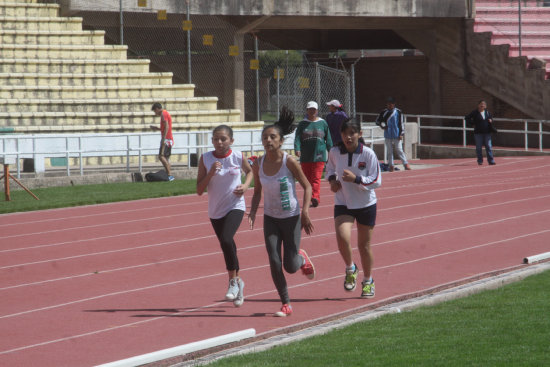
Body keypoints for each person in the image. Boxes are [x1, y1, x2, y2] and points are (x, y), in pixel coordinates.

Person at [248, 122, 316, 317]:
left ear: (281, 141)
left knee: (290, 266)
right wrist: (253, 211)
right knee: (274, 261)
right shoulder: (258, 164)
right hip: (271, 218)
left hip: (292, 217)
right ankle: (286, 303)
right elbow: (257, 192)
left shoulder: (290, 162)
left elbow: (307, 186)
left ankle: (301, 258)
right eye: (265, 137)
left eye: (272, 137)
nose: (268, 140)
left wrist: (305, 212)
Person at [196, 125, 253, 307]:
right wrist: (211, 172)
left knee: (227, 239)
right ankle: (239, 283)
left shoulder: (237, 156)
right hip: (215, 211)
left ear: (231, 141)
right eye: (215, 139)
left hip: (235, 205)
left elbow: (250, 172)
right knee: (227, 244)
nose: (219, 143)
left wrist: (245, 186)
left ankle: (233, 282)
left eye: (223, 139)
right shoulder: (205, 159)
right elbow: (199, 190)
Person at [326, 119, 382, 298]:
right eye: (344, 134)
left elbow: (376, 180)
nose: (348, 137)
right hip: (343, 202)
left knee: (364, 246)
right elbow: (330, 169)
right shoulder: (335, 151)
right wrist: (333, 181)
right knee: (342, 236)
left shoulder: (368, 154)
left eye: (352, 133)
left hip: (365, 204)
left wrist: (357, 179)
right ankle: (351, 268)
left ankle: (368, 280)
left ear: (360, 134)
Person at [294, 101, 333, 207]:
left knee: (316, 178)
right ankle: (311, 196)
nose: (312, 111)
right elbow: (297, 138)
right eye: (310, 109)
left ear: (317, 110)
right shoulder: (302, 124)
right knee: (307, 179)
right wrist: (297, 148)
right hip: (306, 156)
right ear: (307, 110)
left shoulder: (323, 123)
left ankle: (315, 197)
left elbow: (328, 138)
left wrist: (332, 151)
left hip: (319, 154)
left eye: (314, 109)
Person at [375, 97, 411, 172]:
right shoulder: (383, 112)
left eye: (391, 104)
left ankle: (405, 164)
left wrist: (401, 133)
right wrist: (382, 126)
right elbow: (377, 121)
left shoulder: (398, 112)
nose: (389, 105)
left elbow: (401, 123)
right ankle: (391, 165)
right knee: (389, 151)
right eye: (388, 103)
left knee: (399, 149)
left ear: (394, 104)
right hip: (388, 134)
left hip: (396, 134)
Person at [465, 100, 496, 165]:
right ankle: (480, 160)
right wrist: (472, 123)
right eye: (481, 104)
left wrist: (491, 120)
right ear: (478, 105)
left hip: (487, 132)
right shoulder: (475, 112)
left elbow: (491, 119)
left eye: (484, 104)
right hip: (478, 133)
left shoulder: (487, 112)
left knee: (488, 146)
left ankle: (491, 161)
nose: (482, 105)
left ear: (485, 106)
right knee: (479, 147)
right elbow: (467, 118)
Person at [150, 102, 175, 181]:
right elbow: (165, 128)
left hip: (166, 139)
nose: (155, 113)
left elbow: (167, 126)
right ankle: (169, 176)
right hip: (169, 139)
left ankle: (169, 175)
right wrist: (157, 128)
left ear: (157, 109)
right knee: (166, 158)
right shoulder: (165, 114)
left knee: (161, 156)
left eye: (155, 111)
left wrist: (163, 139)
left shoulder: (163, 114)